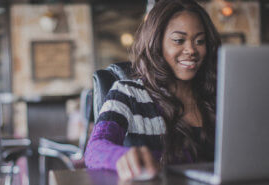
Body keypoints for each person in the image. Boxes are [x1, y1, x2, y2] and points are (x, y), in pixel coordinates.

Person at [84, 0, 221, 181]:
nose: (191, 50)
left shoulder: (219, 94)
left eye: (200, 41)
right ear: (157, 43)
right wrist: (120, 157)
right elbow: (95, 148)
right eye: (179, 40)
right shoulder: (128, 93)